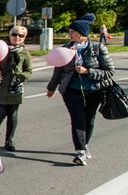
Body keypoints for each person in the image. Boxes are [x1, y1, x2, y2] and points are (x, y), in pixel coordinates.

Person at [47, 14, 114, 166]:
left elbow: (109, 71)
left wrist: (87, 71)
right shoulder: (65, 49)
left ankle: (85, 145)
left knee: (89, 120)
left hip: (94, 89)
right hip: (71, 90)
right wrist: (51, 88)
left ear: (81, 33)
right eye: (69, 31)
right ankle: (81, 151)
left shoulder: (97, 48)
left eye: (72, 31)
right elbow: (58, 71)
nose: (69, 34)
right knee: (78, 119)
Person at [0, 26, 33, 151]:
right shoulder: (0, 47)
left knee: (13, 117)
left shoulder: (24, 53)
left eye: (20, 35)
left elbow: (29, 70)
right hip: (0, 88)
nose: (17, 37)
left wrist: (21, 77)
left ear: (24, 38)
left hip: (15, 89)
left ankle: (9, 140)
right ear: (9, 35)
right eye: (14, 34)